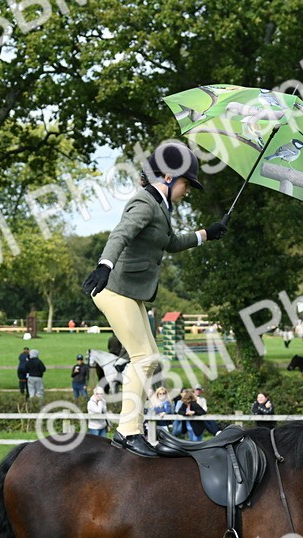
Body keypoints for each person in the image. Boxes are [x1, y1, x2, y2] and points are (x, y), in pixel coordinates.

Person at [81, 139, 227, 457]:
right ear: (169, 177)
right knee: (144, 359)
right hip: (114, 290)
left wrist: (206, 234)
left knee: (152, 359)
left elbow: (171, 242)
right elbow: (120, 234)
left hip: (133, 294)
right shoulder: (145, 203)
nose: (187, 190)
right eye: (187, 183)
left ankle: (138, 425)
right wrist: (104, 266)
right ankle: (127, 432)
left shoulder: (160, 206)